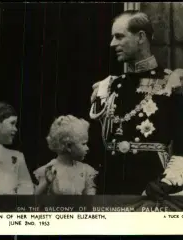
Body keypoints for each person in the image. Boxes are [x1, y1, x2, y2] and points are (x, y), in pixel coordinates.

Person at [89, 10, 183, 195]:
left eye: (119, 36)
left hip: (152, 189)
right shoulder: (108, 86)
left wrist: (168, 182)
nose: (112, 43)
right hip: (110, 189)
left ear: (141, 37)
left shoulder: (172, 84)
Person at [34, 115, 97, 195]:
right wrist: (46, 183)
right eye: (83, 144)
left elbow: (91, 201)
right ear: (68, 146)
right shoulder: (49, 171)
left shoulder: (86, 171)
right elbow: (34, 201)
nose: (87, 148)